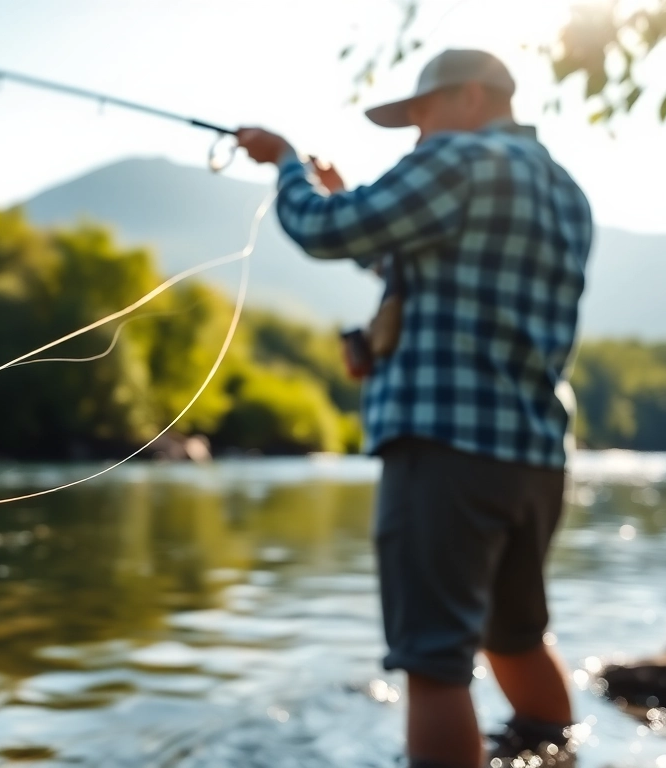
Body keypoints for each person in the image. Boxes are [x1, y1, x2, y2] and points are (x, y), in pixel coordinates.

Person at [235, 49, 593, 768]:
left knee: (434, 665)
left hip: (444, 451)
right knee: (517, 636)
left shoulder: (458, 158)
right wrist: (356, 203)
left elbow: (323, 230)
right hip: (532, 457)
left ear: (468, 97)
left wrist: (284, 164)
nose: (417, 134)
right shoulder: (564, 189)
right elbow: (456, 268)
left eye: (420, 115)